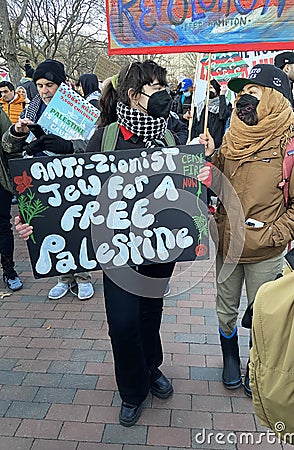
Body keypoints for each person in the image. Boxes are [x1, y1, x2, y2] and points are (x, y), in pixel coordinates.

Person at [16, 60, 178, 427]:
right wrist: (34, 224)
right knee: (122, 323)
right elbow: (70, 194)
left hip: (157, 246)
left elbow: (182, 188)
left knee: (151, 314)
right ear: (133, 95)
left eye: (163, 84)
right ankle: (132, 390)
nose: (163, 92)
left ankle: (151, 368)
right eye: (155, 86)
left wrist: (198, 170)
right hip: (117, 248)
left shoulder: (169, 136)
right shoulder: (104, 138)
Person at [198, 64, 294, 397]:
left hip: (264, 252)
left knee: (263, 315)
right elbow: (214, 184)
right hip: (227, 246)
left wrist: (271, 234)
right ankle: (229, 359)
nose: (242, 100)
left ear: (274, 98)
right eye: (239, 94)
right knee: (225, 309)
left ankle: (257, 365)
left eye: (252, 92)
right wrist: (207, 159)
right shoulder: (232, 135)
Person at [2, 59, 94, 301]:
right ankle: (63, 277)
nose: (44, 90)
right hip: (42, 180)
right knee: (52, 226)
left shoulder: (79, 109)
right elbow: (8, 146)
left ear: (61, 85)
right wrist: (19, 135)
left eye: (49, 84)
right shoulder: (30, 109)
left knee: (77, 226)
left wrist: (70, 147)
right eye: (40, 85)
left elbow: (93, 146)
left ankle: (83, 276)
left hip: (73, 180)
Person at [0, 106, 23, 291]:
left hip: (0, 181)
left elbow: (9, 146)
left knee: (2, 226)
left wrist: (16, 134)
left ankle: (9, 270)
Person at [190, 79, 232, 149]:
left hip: (216, 145)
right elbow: (195, 125)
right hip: (200, 143)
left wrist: (222, 95)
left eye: (211, 88)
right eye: (207, 88)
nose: (208, 90)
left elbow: (222, 116)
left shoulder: (225, 104)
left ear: (217, 89)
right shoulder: (202, 105)